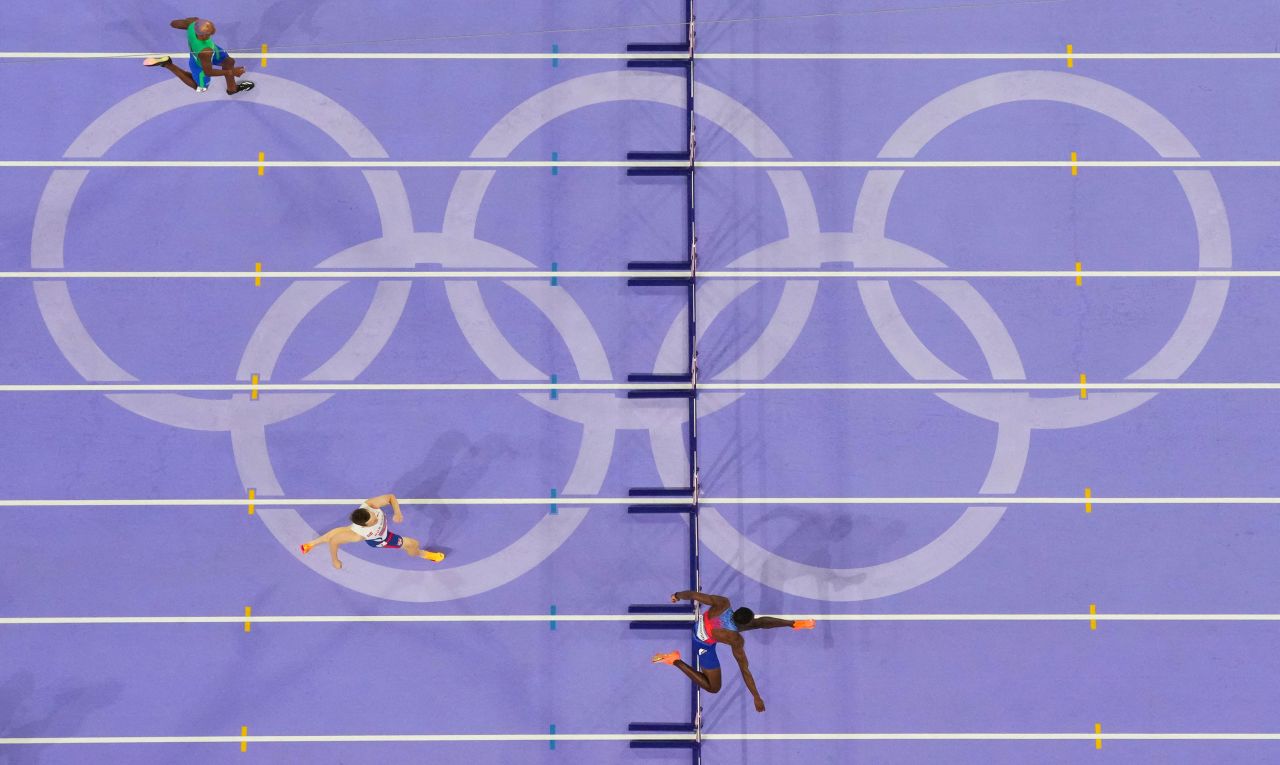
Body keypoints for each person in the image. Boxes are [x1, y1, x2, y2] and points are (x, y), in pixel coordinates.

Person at [651, 590, 814, 713]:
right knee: (713, 687)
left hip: (700, 627)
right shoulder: (734, 639)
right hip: (702, 645)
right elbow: (744, 669)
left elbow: (694, 594)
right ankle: (674, 660)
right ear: (743, 623)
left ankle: (793, 624)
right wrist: (756, 696)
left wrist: (677, 595)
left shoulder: (723, 603)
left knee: (759, 623)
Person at [300, 494, 446, 569]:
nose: (376, 517)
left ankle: (311, 544)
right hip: (382, 539)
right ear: (364, 526)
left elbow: (390, 497)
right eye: (372, 521)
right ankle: (424, 554)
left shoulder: (370, 505)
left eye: (373, 515)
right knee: (413, 544)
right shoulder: (358, 535)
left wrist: (397, 512)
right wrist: (335, 560)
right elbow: (334, 541)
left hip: (361, 529)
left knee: (341, 530)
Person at [143, 17, 254, 95]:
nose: (213, 32)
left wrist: (185, 23)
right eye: (210, 32)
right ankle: (167, 64)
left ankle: (232, 89)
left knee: (229, 62)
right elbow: (208, 72)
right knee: (200, 87)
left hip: (213, 50)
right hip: (200, 62)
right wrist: (232, 72)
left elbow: (174, 23)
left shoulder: (193, 24)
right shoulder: (205, 52)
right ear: (204, 35)